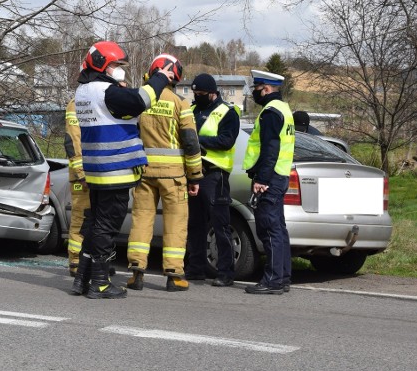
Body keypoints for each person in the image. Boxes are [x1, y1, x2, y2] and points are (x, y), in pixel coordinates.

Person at [70, 41, 176, 299]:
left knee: (95, 225)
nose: (120, 70)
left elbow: (120, 113)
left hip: (96, 170)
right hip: (114, 170)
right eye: (117, 65)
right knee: (107, 227)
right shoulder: (106, 91)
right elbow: (143, 99)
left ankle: (82, 278)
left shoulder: (84, 91)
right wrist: (161, 76)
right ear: (102, 64)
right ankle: (99, 284)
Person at [126, 54, 203, 292]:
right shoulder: (181, 104)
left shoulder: (139, 100)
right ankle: (174, 275)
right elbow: (190, 142)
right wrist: (195, 175)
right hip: (173, 176)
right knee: (175, 224)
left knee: (141, 220)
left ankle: (136, 271)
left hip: (144, 173)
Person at [185, 73, 241, 287]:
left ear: (212, 93)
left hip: (214, 175)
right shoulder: (191, 110)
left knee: (220, 224)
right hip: (193, 173)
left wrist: (197, 141)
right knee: (195, 223)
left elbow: (226, 141)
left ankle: (226, 272)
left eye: (201, 94)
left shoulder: (227, 112)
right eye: (195, 93)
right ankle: (196, 268)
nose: (197, 96)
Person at [243, 69, 295, 295]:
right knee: (279, 230)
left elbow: (270, 148)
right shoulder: (284, 109)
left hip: (270, 178)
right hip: (280, 175)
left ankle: (273, 280)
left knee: (269, 229)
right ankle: (282, 277)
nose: (254, 93)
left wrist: (261, 179)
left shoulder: (271, 112)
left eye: (256, 89)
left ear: (265, 89)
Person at [64, 97, 90, 280]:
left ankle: (92, 262)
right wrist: (81, 172)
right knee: (80, 219)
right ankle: (75, 262)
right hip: (81, 175)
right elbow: (72, 141)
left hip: (95, 172)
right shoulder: (77, 103)